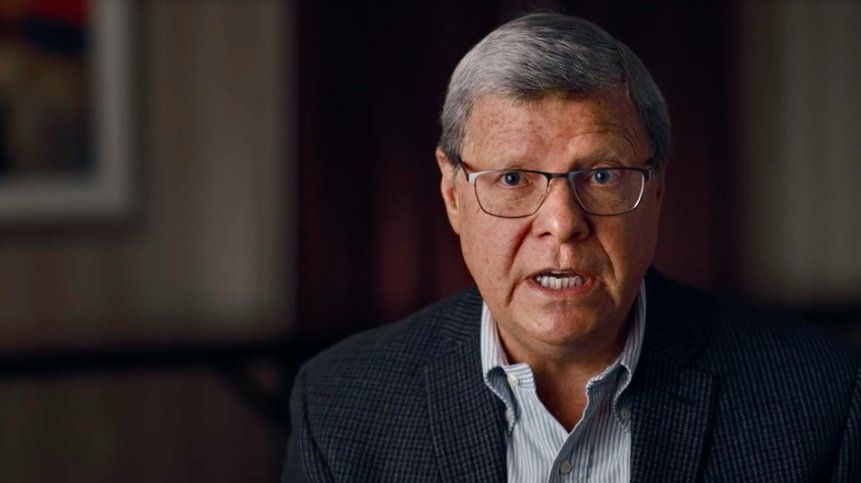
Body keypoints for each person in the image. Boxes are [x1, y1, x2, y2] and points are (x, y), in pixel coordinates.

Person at [283, 12, 860, 482]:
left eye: (603, 176)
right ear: (453, 194)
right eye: (513, 179)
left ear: (657, 189)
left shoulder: (818, 398)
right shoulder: (340, 405)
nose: (562, 224)